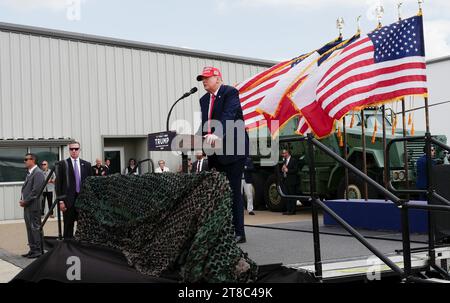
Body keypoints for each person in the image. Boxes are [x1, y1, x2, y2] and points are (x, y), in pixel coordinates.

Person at [197, 66, 249, 243]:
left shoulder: (230, 92)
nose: (204, 81)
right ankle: (222, 230)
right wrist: (197, 142)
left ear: (217, 78)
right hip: (215, 153)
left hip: (234, 150)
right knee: (217, 192)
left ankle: (239, 232)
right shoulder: (204, 99)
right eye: (202, 78)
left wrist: (217, 133)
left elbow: (228, 116)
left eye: (207, 77)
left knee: (233, 192)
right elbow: (205, 124)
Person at [55, 141, 93, 238]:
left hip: (83, 201)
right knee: (68, 226)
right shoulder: (63, 164)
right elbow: (58, 184)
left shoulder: (87, 165)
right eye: (72, 149)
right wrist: (61, 201)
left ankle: (81, 249)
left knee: (83, 226)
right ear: (69, 150)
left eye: (76, 149)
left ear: (79, 150)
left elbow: (91, 183)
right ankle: (67, 247)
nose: (74, 151)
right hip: (68, 201)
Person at [20, 153, 45, 258]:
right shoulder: (30, 173)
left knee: (35, 228)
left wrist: (25, 201)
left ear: (33, 160)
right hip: (28, 206)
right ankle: (32, 249)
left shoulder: (38, 173)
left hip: (33, 206)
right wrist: (23, 200)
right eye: (24, 159)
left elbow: (36, 191)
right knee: (29, 228)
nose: (24, 161)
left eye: (26, 159)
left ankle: (38, 250)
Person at [280, 149, 299, 215]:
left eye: (284, 153)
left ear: (288, 153)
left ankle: (293, 210)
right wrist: (283, 170)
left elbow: (296, 170)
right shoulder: (284, 161)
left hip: (292, 181)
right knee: (287, 196)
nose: (283, 154)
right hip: (286, 180)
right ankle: (288, 210)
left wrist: (288, 170)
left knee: (292, 196)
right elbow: (285, 169)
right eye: (283, 153)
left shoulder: (293, 160)